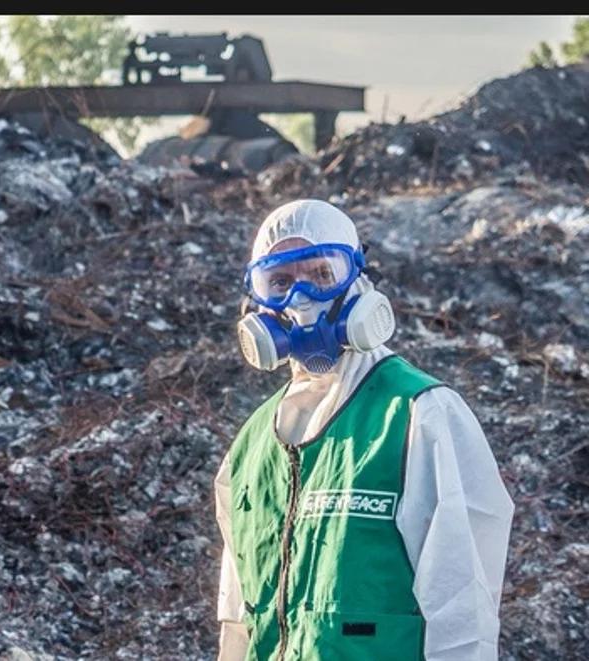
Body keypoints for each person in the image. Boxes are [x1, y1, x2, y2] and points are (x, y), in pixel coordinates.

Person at [215, 199, 515, 661]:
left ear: (358, 280)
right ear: (258, 305)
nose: (300, 299)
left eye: (320, 274)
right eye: (278, 283)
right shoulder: (251, 446)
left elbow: (462, 608)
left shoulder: (419, 415)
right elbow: (238, 617)